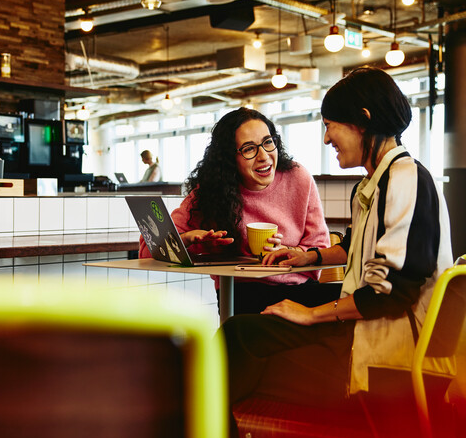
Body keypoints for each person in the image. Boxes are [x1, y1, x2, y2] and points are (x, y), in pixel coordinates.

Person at [222, 67, 454, 409]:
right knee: (252, 330)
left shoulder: (405, 181)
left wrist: (311, 314)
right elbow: (355, 246)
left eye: (330, 126)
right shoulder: (379, 180)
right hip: (380, 336)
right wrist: (307, 257)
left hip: (388, 358)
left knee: (237, 338)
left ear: (362, 120)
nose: (327, 139)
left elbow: (389, 292)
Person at [138, 107, 335, 314]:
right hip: (242, 295)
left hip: (300, 291)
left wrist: (290, 253)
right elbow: (147, 251)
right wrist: (187, 239)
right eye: (249, 149)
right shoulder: (211, 192)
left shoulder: (298, 177)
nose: (264, 156)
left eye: (268, 142)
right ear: (229, 158)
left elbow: (319, 246)